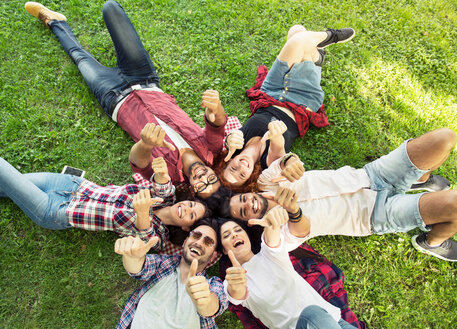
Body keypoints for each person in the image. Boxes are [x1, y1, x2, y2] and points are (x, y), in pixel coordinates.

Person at [24, 1, 236, 199]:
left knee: (79, 57)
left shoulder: (168, 173)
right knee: (111, 8)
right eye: (211, 180)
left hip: (114, 98)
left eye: (201, 186)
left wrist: (145, 144)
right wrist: (216, 108)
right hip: (145, 80)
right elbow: (217, 124)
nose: (203, 178)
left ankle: (55, 22)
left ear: (192, 188)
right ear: (215, 173)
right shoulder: (211, 150)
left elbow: (138, 163)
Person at [221, 128, 457, 262]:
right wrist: (293, 211)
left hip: (372, 175)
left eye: (243, 198)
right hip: (376, 214)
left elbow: (284, 162)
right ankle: (431, 243)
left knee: (445, 139)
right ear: (249, 222)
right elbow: (300, 229)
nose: (249, 203)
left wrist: (290, 160)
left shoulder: (266, 183)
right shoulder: (274, 231)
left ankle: (419, 180)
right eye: (244, 211)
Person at [220, 207, 385, 329]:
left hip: (338, 325)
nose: (234, 235)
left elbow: (272, 235)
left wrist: (272, 222)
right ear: (223, 250)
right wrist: (236, 282)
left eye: (237, 230)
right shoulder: (232, 280)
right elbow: (237, 293)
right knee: (310, 315)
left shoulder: (269, 254)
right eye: (227, 235)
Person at [213, 25, 355, 191]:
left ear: (228, 162)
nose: (241, 166)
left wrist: (230, 139)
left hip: (272, 92)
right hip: (302, 100)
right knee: (298, 40)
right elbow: (279, 151)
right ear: (251, 175)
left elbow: (226, 133)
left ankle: (317, 54)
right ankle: (329, 36)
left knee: (296, 31)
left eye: (233, 168)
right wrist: (275, 136)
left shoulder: (236, 145)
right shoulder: (268, 161)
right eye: (243, 174)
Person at [0, 155, 209, 252]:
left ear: (185, 227)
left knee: (5, 173)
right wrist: (162, 173)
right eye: (191, 205)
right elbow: (164, 185)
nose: (186, 209)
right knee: (5, 184)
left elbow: (146, 235)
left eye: (191, 215)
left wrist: (143, 212)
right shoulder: (166, 199)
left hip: (56, 210)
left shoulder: (160, 237)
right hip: (71, 184)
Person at [100, 218, 228, 329]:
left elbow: (214, 306)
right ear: (185, 242)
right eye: (196, 235)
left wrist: (205, 300)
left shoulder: (212, 285)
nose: (199, 242)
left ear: (213, 257)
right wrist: (131, 256)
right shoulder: (163, 264)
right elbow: (138, 267)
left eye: (208, 242)